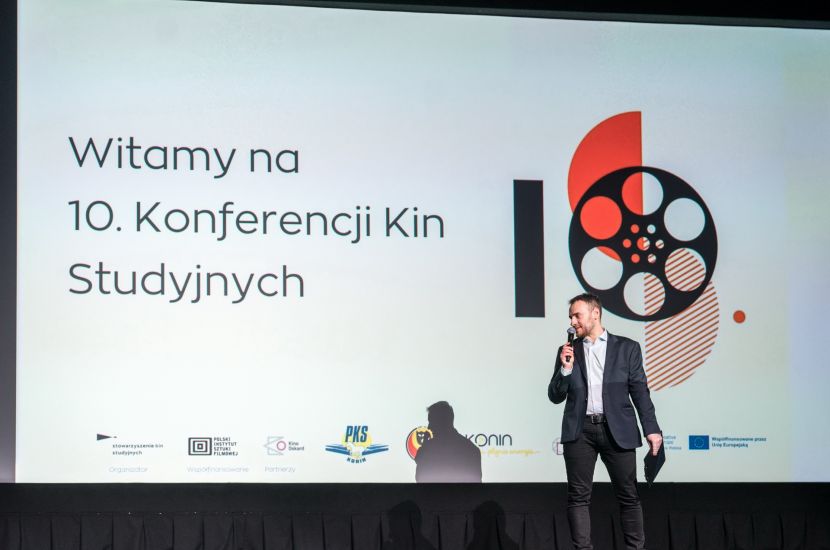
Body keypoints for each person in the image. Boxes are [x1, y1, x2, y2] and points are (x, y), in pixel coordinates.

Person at [548, 293, 662, 550]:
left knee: (629, 496)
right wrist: (565, 369)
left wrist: (652, 429)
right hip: (580, 431)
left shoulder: (627, 348)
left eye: (577, 315)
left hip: (617, 429)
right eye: (570, 317)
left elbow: (640, 391)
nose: (572, 322)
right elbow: (555, 396)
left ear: (595, 313)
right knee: (578, 498)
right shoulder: (567, 351)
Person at [415, 401, 482, 483]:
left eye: (431, 422)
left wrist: (425, 446)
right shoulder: (471, 449)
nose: (429, 427)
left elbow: (420, 478)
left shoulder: (429, 449)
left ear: (441, 422)